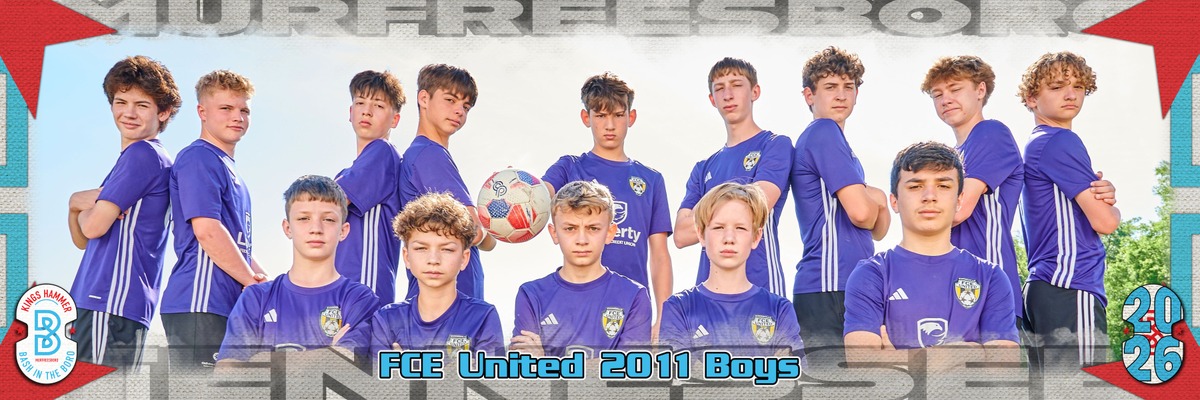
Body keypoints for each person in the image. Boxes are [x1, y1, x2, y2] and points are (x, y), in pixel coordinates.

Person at [843, 142, 1018, 369]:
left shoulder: (990, 277)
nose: (929, 196)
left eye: (943, 186)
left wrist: (897, 361)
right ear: (894, 201)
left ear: (959, 200)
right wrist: (961, 354)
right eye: (915, 186)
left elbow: (1003, 368)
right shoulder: (871, 274)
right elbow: (863, 365)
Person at [67, 55, 181, 369]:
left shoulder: (144, 154)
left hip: (108, 302)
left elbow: (93, 228)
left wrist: (78, 205)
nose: (128, 113)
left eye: (141, 105)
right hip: (104, 303)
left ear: (163, 112)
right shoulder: (133, 160)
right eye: (121, 102)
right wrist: (76, 203)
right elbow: (83, 241)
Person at [541, 72, 672, 336]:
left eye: (618, 115)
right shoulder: (569, 167)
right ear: (586, 117)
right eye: (600, 116)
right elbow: (539, 195)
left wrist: (663, 317)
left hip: (633, 310)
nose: (609, 125)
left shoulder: (651, 180)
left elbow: (659, 254)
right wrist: (519, 187)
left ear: (631, 117)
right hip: (576, 302)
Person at [1018, 51, 1120, 371]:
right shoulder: (1060, 141)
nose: (1071, 94)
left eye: (1078, 86)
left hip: (1043, 288)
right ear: (1031, 98)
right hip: (1070, 285)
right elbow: (1105, 222)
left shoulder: (1036, 144)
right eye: (1057, 86)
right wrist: (1114, 209)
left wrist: (1103, 196)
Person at [160, 70, 267, 369]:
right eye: (226, 108)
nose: (237, 117)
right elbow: (207, 231)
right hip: (199, 302)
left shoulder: (232, 172)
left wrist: (264, 283)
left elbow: (238, 243)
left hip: (226, 306)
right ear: (202, 112)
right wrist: (251, 282)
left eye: (244, 110)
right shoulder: (199, 157)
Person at [790, 46, 890, 359]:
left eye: (849, 86)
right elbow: (862, 214)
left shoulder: (841, 145)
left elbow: (879, 231)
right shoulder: (823, 132)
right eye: (830, 86)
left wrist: (878, 201)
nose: (841, 95)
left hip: (848, 284)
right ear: (809, 95)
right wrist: (876, 198)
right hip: (828, 284)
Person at [216, 175, 379, 366]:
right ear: (287, 228)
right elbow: (226, 371)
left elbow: (343, 364)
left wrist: (261, 360)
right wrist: (328, 354)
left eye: (328, 219)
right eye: (303, 218)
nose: (316, 228)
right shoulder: (256, 298)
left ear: (343, 231)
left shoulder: (359, 299)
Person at [919, 55, 1025, 334]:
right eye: (937, 94)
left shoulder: (990, 133)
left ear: (980, 90)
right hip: (955, 293)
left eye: (955, 89)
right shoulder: (952, 157)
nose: (946, 100)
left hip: (990, 290)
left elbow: (959, 209)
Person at [675, 57, 792, 298]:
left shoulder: (774, 145)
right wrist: (740, 195)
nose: (728, 95)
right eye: (720, 88)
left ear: (755, 92)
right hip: (708, 295)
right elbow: (682, 235)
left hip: (761, 289)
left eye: (737, 85)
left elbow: (757, 206)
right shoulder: (703, 167)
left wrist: (705, 212)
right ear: (712, 99)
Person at [339, 192, 504, 359]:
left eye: (447, 249)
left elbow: (489, 375)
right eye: (421, 248)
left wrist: (410, 370)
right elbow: (378, 376)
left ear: (464, 258)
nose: (433, 260)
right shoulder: (386, 319)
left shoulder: (483, 317)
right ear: (407, 257)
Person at [659, 183, 804, 359]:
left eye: (740, 228)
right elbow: (678, 373)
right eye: (719, 227)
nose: (729, 238)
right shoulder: (679, 308)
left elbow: (791, 374)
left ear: (756, 237)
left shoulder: (779, 310)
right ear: (701, 234)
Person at [510, 181, 652, 358]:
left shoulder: (634, 295)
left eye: (593, 228)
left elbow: (628, 369)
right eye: (570, 228)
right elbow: (526, 365)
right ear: (554, 233)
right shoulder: (531, 295)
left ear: (610, 233)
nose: (582, 240)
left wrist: (546, 361)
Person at [399, 64, 496, 299]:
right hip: (445, 303)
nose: (459, 111)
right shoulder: (429, 155)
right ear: (424, 98)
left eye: (466, 106)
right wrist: (491, 229)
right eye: (450, 100)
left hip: (446, 300)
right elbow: (475, 232)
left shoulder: (425, 154)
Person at [335, 70, 406, 303]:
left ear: (395, 119)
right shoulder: (345, 173)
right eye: (360, 103)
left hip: (364, 288)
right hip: (340, 289)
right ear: (350, 112)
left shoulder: (382, 151)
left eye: (378, 105)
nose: (367, 111)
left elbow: (328, 203)